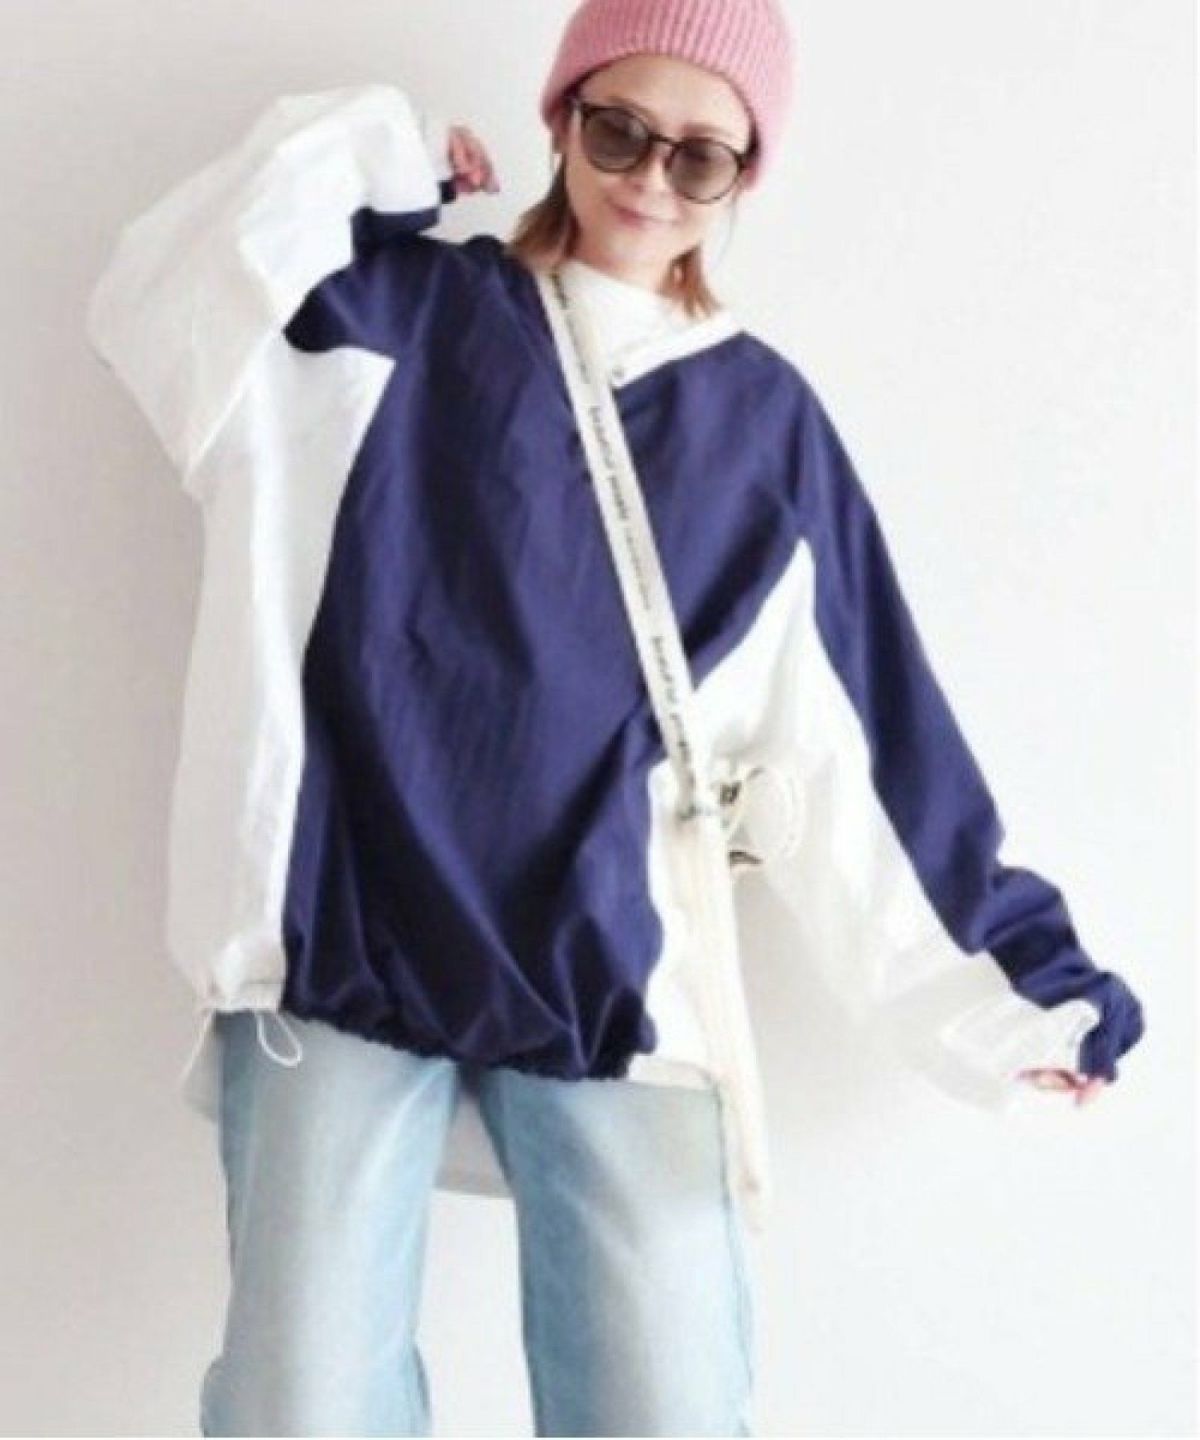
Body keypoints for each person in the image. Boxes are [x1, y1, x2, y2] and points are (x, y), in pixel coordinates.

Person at [84, 0, 1146, 1433]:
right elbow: (163, 297)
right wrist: (378, 159)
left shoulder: (758, 424)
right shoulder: (381, 321)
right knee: (299, 1402)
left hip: (612, 972)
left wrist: (1019, 994)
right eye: (619, 130)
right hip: (348, 940)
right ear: (562, 119)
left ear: (745, 177)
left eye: (700, 156)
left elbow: (867, 741)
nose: (652, 178)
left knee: (665, 1405)